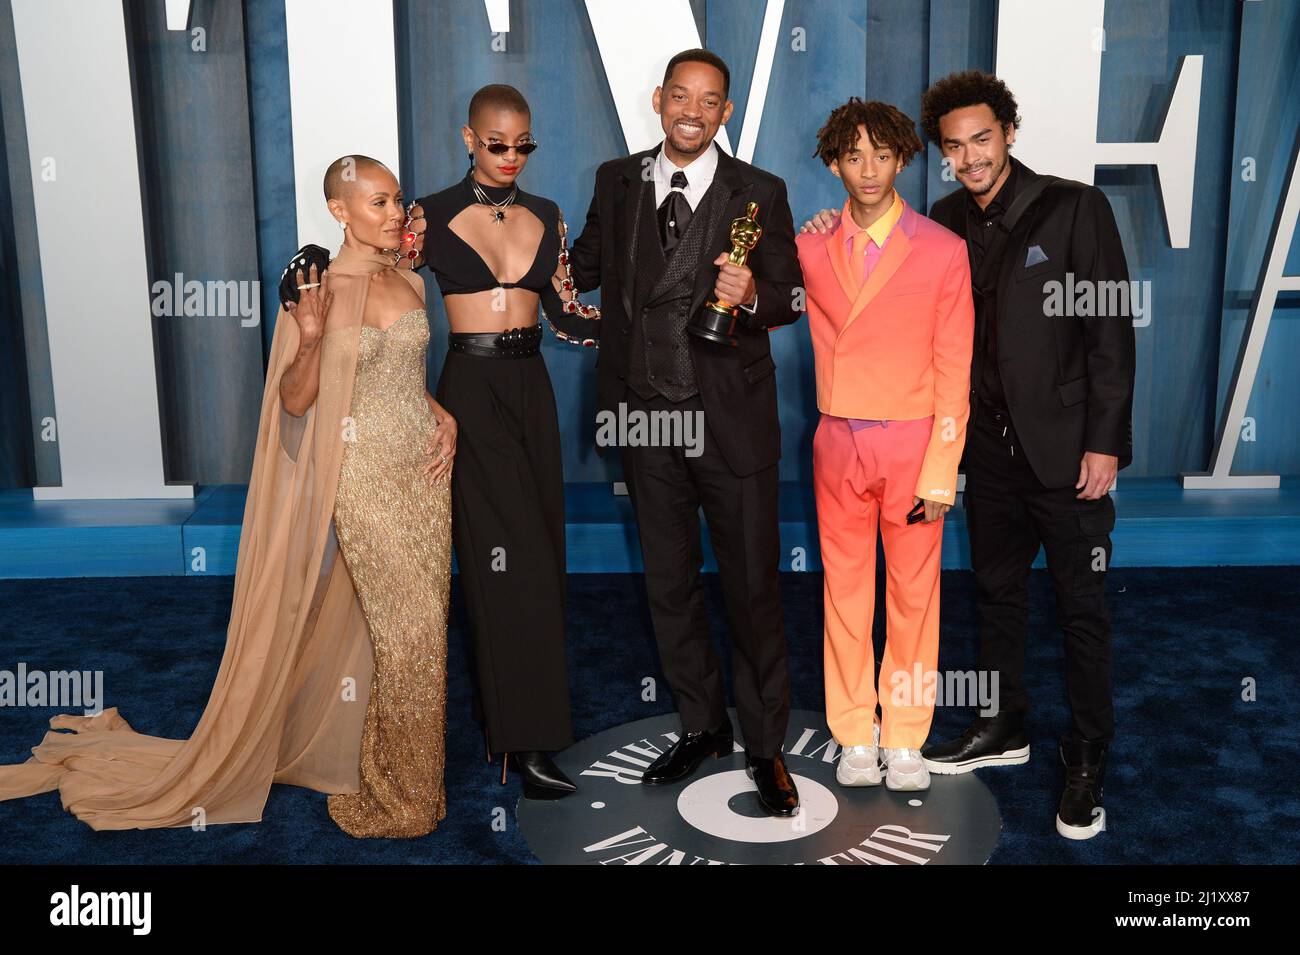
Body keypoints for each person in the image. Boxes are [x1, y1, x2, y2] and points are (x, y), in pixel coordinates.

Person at [0, 156, 458, 838]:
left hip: (423, 474)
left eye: (398, 202)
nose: (397, 214)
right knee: (408, 633)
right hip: (362, 480)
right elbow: (296, 402)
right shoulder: (320, 290)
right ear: (340, 210)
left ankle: (405, 780)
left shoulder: (410, 281)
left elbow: (399, 375)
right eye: (380, 202)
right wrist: (306, 339)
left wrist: (443, 415)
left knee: (423, 631)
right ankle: (402, 800)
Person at [804, 70, 1134, 839]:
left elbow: (1111, 330)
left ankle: (1088, 751)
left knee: (1081, 606)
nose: (970, 156)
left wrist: (1105, 440)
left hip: (1065, 446)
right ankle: (1003, 723)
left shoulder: (1076, 206)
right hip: (981, 450)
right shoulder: (941, 223)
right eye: (954, 146)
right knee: (996, 593)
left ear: (1008, 133)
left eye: (982, 139)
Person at [568, 49, 805, 816]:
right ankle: (703, 725)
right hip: (645, 415)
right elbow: (582, 268)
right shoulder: (617, 179)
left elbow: (794, 293)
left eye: (709, 101)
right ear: (659, 100)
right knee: (669, 586)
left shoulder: (760, 191)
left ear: (725, 113)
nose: (692, 111)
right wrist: (519, 240)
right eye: (680, 96)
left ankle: (765, 748)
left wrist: (759, 293)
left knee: (752, 589)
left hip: (728, 419)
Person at [399, 84, 601, 800]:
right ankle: (524, 741)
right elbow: (386, 297)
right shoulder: (427, 215)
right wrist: (418, 395)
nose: (511, 156)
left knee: (542, 557)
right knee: (503, 564)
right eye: (496, 144)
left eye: (524, 145)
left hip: (531, 388)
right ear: (467, 137)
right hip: (469, 393)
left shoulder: (548, 215)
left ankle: (519, 722)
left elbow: (570, 314)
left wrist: (651, 317)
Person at [797, 99, 973, 792]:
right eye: (852, 155)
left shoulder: (941, 248)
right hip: (836, 440)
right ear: (833, 162)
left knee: (913, 595)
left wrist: (942, 470)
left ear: (903, 158)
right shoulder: (808, 244)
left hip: (914, 444)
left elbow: (956, 369)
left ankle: (904, 733)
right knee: (843, 593)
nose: (867, 170)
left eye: (880, 154)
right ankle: (852, 733)